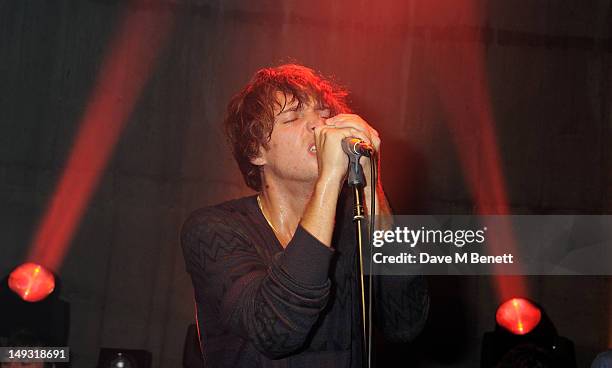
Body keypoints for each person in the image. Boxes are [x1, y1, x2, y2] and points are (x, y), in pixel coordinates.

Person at [181, 64, 429, 367]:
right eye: (293, 118)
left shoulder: (353, 227)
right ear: (256, 150)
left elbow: (405, 322)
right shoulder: (214, 229)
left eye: (324, 114)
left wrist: (371, 187)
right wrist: (329, 178)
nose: (319, 126)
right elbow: (275, 330)